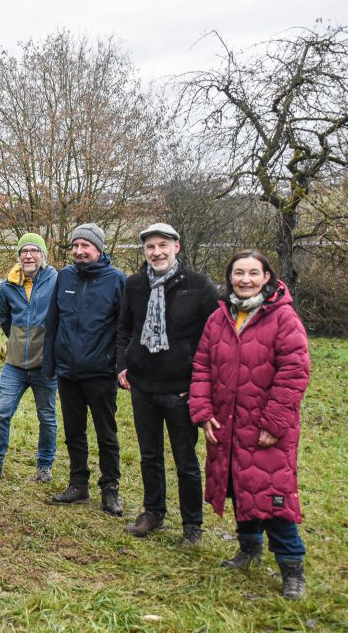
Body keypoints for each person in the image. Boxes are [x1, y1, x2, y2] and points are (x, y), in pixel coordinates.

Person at [190, 250, 311, 600]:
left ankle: (292, 568)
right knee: (237, 485)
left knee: (272, 495)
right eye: (238, 273)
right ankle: (249, 548)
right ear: (229, 277)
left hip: (266, 428)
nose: (245, 280)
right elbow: (202, 366)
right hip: (226, 423)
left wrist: (275, 421)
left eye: (253, 273)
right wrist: (202, 410)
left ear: (266, 277)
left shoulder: (283, 318)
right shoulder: (219, 318)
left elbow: (294, 372)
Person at [117, 223, 219, 545]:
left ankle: (192, 525)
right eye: (150, 247)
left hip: (181, 390)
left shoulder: (200, 287)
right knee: (149, 455)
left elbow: (214, 340)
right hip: (142, 387)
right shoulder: (134, 285)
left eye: (163, 245)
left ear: (176, 246)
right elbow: (124, 329)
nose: (156, 252)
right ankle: (153, 513)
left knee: (185, 460)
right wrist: (122, 364)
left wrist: (202, 383)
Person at [42, 223, 126, 516]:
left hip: (100, 373)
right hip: (67, 371)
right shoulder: (64, 276)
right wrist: (50, 363)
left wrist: (119, 365)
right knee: (73, 432)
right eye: (75, 246)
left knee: (107, 434)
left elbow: (122, 328)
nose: (79, 251)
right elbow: (52, 322)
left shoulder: (116, 280)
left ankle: (110, 490)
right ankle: (78, 484)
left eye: (85, 246)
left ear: (98, 249)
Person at [0, 233, 58, 482]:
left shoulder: (55, 280)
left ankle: (44, 466)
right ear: (19, 256)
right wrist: (19, 341)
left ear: (42, 254)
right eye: (23, 251)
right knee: (1, 412)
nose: (28, 255)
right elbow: (4, 317)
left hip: (46, 366)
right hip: (15, 365)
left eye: (33, 250)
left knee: (47, 418)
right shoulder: (8, 284)